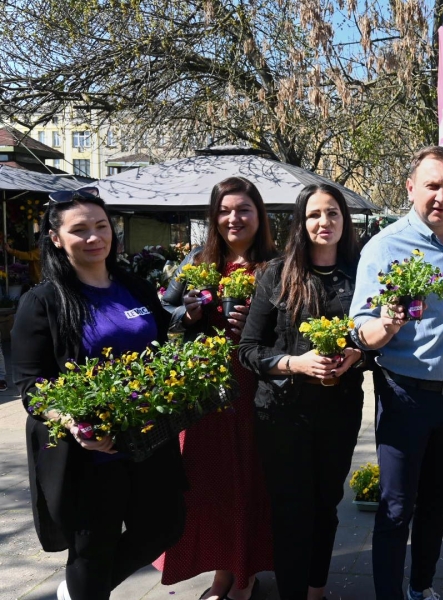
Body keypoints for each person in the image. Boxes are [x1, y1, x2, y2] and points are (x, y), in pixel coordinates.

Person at [11, 187, 186, 600]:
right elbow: (31, 386)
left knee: (164, 527)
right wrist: (74, 422)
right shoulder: (44, 301)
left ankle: (78, 593)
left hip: (148, 437)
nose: (94, 237)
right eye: (79, 230)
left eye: (101, 226)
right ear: (56, 238)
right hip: (89, 452)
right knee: (92, 549)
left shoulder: (135, 287)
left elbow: (161, 347)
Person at [350, 145, 443, 600]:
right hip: (404, 395)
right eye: (432, 186)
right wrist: (385, 325)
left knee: (436, 504)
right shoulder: (384, 246)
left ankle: (421, 587)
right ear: (410, 188)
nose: (441, 196)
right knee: (395, 507)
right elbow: (358, 326)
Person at [239, 184, 366, 600]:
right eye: (314, 214)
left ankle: (315, 591)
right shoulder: (277, 274)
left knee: (326, 505)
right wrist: (294, 363)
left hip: (339, 409)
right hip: (283, 413)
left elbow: (377, 341)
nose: (324, 222)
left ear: (344, 220)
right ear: (300, 222)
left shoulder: (361, 273)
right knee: (291, 511)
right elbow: (248, 349)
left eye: (332, 213)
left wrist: (357, 355)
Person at [154, 177, 277, 600]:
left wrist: (260, 327)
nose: (233, 218)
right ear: (214, 217)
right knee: (211, 483)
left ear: (259, 215)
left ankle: (244, 576)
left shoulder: (276, 264)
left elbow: (296, 323)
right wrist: (186, 316)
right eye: (224, 210)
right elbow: (164, 308)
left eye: (243, 209)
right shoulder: (198, 260)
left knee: (249, 482)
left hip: (257, 387)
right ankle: (225, 571)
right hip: (206, 390)